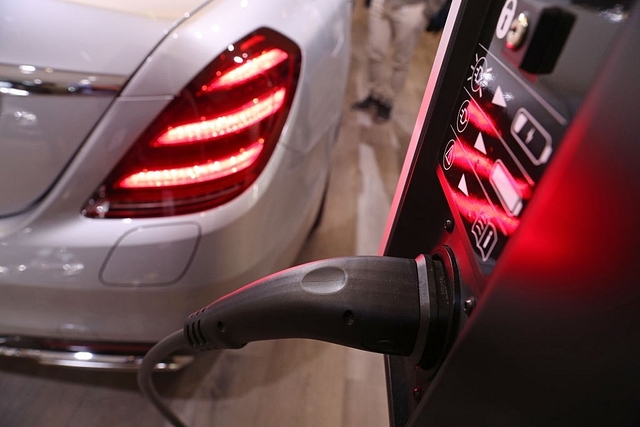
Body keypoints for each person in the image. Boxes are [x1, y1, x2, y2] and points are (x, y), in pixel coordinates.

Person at [352, 0, 448, 123]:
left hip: (413, 9)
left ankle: (387, 101)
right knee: (375, 52)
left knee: (400, 61)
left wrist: (429, 10)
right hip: (381, 4)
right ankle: (374, 95)